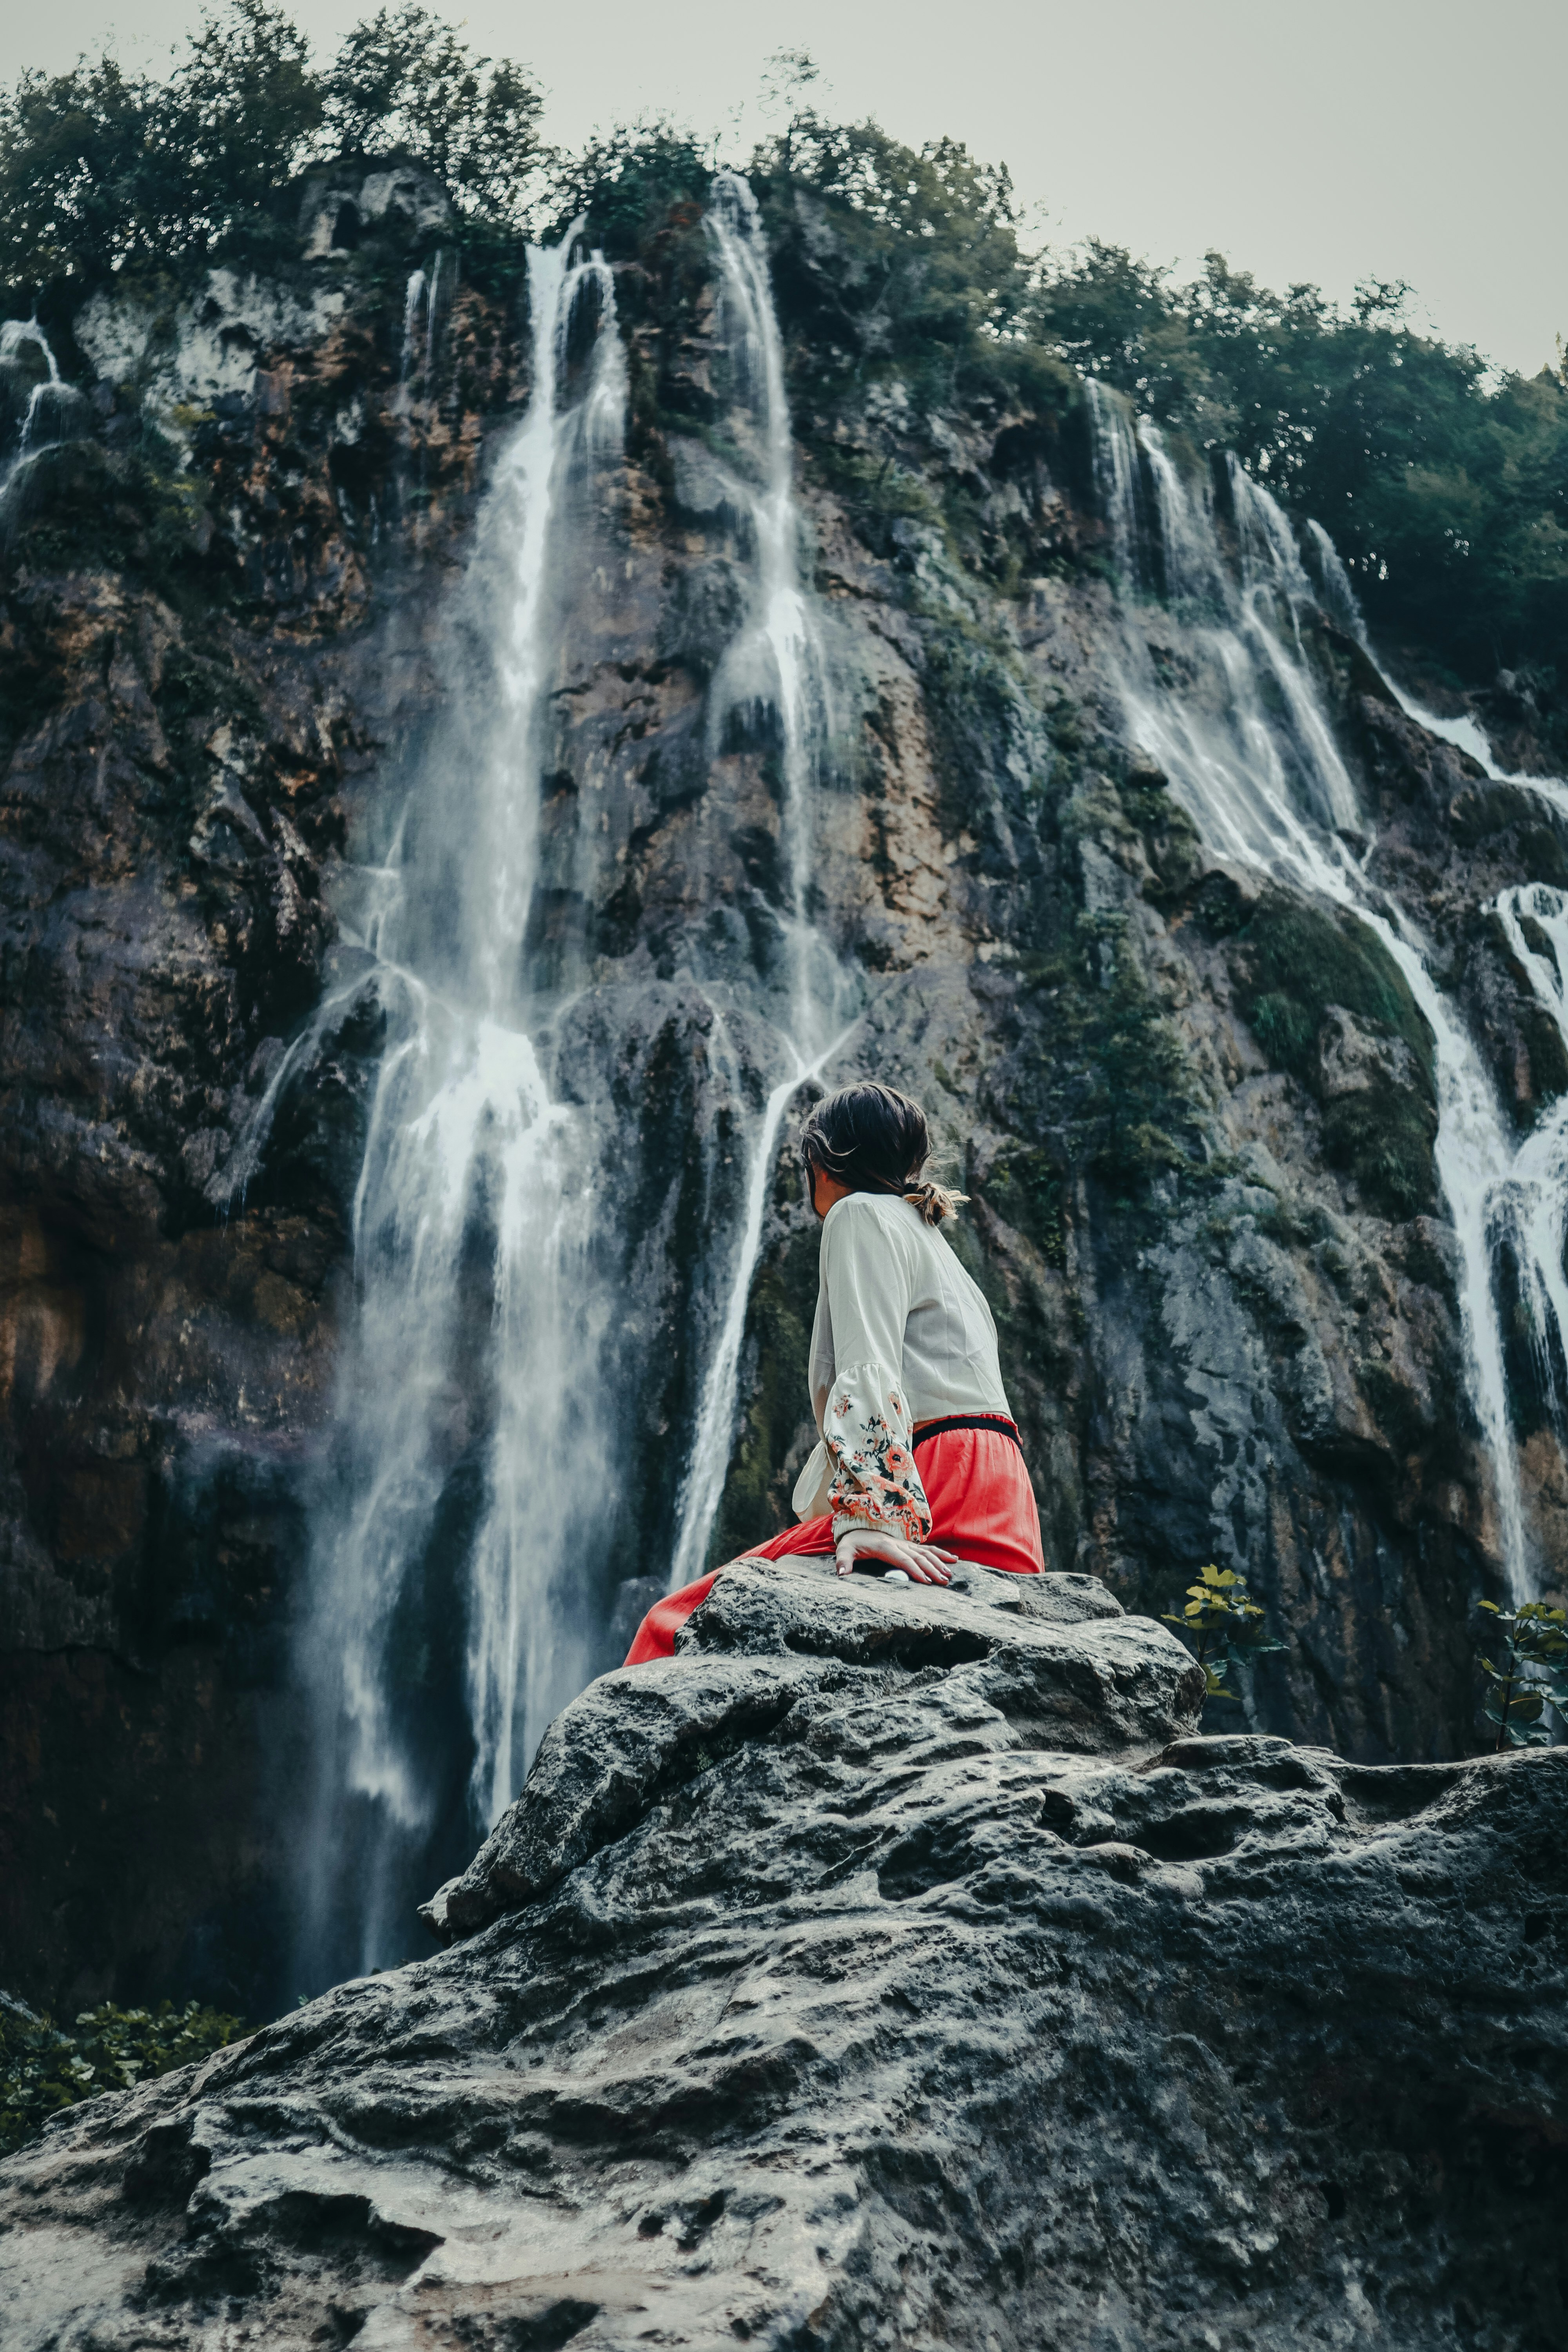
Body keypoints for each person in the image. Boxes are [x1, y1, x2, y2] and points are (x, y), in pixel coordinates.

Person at [624, 1080, 1044, 1664]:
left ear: (821, 1161)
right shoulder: (930, 1240)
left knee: (670, 1627)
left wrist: (869, 1519)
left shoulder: (857, 1214)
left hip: (937, 1478)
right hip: (1002, 1493)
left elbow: (868, 1366)